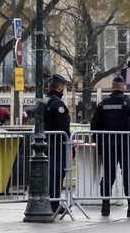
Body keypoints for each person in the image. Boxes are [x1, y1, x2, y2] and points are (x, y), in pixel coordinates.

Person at [91, 75, 130, 217]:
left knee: (108, 174)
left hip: (108, 142)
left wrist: (100, 146)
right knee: (128, 174)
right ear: (124, 88)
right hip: (126, 142)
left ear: (111, 88)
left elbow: (94, 127)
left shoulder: (103, 104)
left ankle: (105, 206)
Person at [44, 74, 71, 214]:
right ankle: (54, 203)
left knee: (48, 173)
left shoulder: (42, 101)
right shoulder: (57, 104)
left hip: (43, 144)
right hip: (56, 144)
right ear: (60, 88)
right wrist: (69, 141)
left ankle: (50, 201)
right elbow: (63, 127)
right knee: (56, 173)